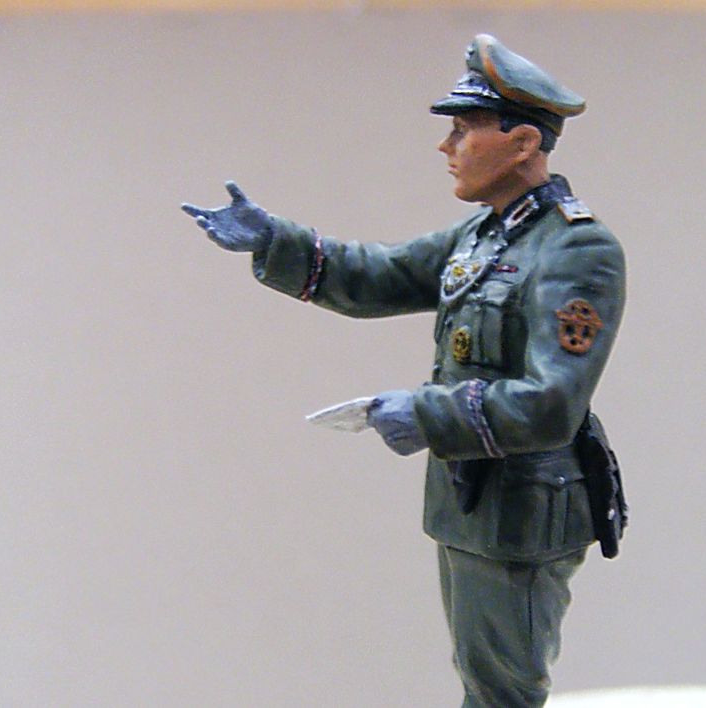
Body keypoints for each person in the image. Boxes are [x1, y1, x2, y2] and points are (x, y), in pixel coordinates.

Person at [182, 34, 626, 708]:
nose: (447, 146)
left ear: (523, 143)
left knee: (505, 688)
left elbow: (551, 404)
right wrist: (275, 241)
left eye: (465, 129)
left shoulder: (576, 249)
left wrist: (424, 413)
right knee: (482, 677)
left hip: (525, 511)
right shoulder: (481, 236)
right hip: (471, 501)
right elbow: (380, 274)